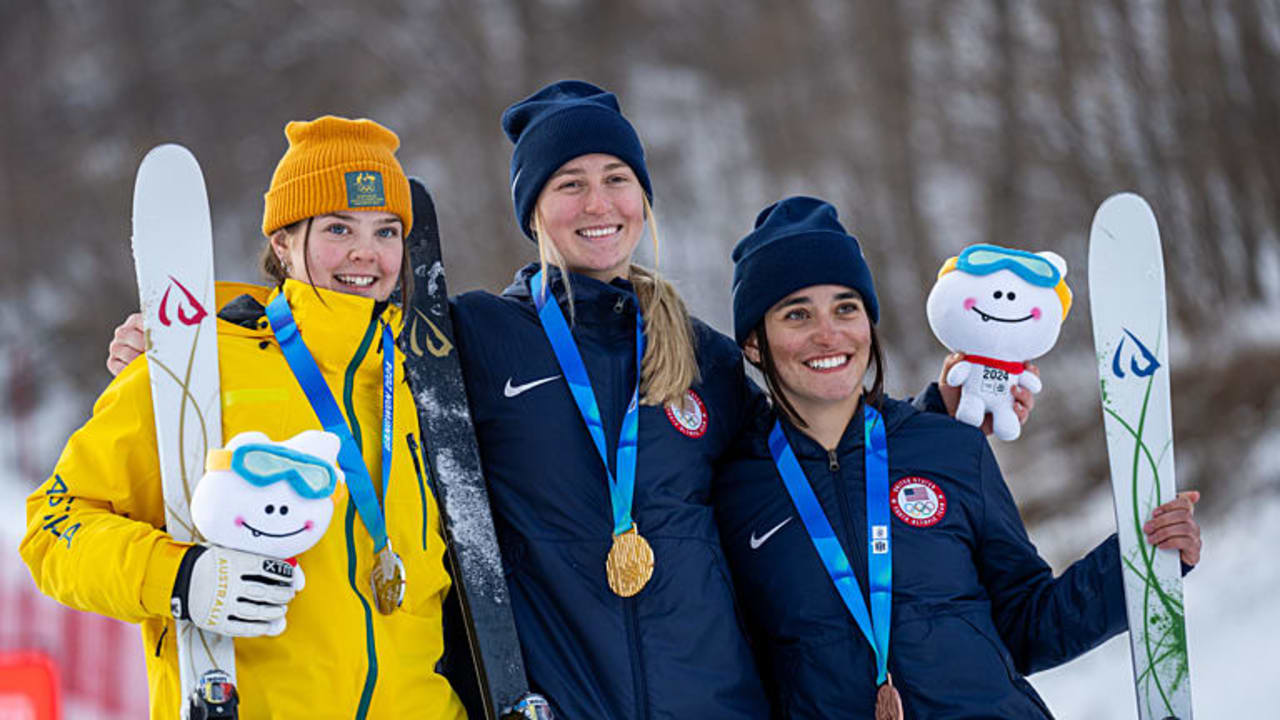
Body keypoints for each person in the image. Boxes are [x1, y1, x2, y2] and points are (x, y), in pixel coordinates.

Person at [23, 117, 467, 720]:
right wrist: (179, 578)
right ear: (282, 243)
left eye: (386, 231)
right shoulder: (195, 361)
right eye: (339, 228)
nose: (366, 252)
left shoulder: (430, 381)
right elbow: (53, 525)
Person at [714, 196, 1202, 718]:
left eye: (845, 308)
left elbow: (1027, 625)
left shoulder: (947, 447)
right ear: (754, 344)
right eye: (796, 314)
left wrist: (1139, 561)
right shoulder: (734, 491)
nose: (828, 334)